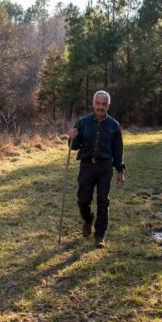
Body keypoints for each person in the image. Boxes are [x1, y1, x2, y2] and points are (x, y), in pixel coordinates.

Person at [67, 90, 126, 248]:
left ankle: (100, 235)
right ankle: (88, 219)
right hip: (87, 166)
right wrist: (71, 137)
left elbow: (118, 151)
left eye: (104, 104)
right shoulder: (83, 122)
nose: (100, 107)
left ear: (108, 105)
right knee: (83, 199)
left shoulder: (114, 126)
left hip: (105, 167)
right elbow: (74, 146)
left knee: (102, 201)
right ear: (93, 104)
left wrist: (120, 171)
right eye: (98, 104)